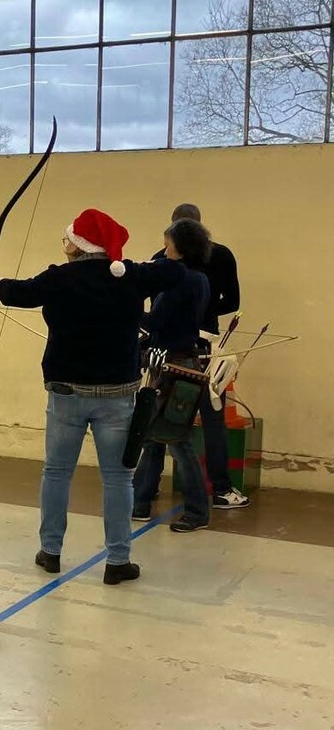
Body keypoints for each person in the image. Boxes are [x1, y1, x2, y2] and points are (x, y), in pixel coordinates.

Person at [0, 208, 185, 585]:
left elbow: (15, 293)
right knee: (118, 479)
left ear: (79, 245)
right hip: (117, 394)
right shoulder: (130, 275)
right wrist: (160, 253)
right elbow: (175, 272)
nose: (65, 245)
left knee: (57, 472)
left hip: (66, 392)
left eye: (68, 239)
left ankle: (51, 552)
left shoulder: (60, 277)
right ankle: (117, 560)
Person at [167, 203, 248, 510]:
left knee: (165, 417)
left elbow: (156, 304)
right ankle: (221, 490)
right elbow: (232, 301)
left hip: (182, 346)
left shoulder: (166, 257)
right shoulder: (215, 254)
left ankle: (143, 496)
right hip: (201, 345)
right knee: (211, 418)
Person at [133, 217, 212, 532]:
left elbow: (155, 322)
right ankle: (139, 502)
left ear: (181, 247)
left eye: (168, 245)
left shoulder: (183, 280)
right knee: (152, 436)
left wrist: (125, 306)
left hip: (176, 368)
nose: (164, 251)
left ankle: (197, 511)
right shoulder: (198, 278)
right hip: (171, 363)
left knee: (179, 442)